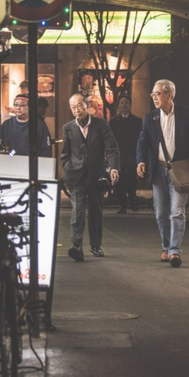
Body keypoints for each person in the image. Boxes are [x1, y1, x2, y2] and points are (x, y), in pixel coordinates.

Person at [137, 79, 189, 267]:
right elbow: (142, 142)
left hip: (179, 171)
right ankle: (166, 246)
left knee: (177, 211)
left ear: (169, 95)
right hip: (158, 170)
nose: (154, 98)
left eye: (157, 94)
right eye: (152, 94)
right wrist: (141, 160)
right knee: (161, 213)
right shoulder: (151, 118)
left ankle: (175, 250)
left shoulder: (185, 114)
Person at [61, 93, 120, 261]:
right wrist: (66, 172)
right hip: (76, 177)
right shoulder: (68, 128)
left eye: (79, 106)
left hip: (96, 176)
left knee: (96, 212)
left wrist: (113, 169)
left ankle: (95, 246)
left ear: (86, 106)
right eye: (73, 107)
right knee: (77, 212)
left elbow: (112, 149)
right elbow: (65, 154)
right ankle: (77, 246)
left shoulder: (101, 125)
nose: (77, 110)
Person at [110, 95, 142, 213]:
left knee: (131, 180)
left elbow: (140, 138)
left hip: (132, 154)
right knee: (120, 181)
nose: (124, 105)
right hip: (118, 155)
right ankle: (122, 205)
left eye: (126, 103)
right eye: (122, 103)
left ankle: (133, 202)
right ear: (118, 106)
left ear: (130, 105)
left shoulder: (137, 121)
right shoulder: (113, 122)